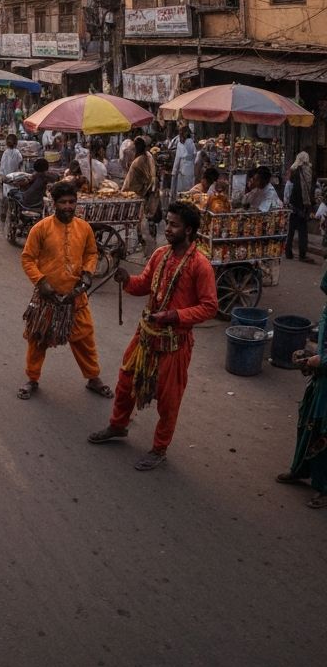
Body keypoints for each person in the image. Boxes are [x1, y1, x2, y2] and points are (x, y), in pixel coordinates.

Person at [89, 201, 217, 471]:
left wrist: (175, 316)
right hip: (146, 335)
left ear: (189, 230)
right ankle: (118, 425)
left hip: (175, 343)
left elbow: (209, 307)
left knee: (168, 400)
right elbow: (143, 285)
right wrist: (126, 280)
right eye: (167, 223)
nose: (167, 229)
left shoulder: (200, 265)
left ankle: (159, 448)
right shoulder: (160, 254)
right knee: (125, 381)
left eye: (173, 225)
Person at [18, 180, 112, 401]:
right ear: (54, 204)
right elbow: (28, 259)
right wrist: (41, 282)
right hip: (47, 298)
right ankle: (32, 378)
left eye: (72, 202)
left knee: (84, 338)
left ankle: (93, 378)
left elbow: (91, 253)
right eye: (63, 202)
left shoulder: (84, 228)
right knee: (38, 339)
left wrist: (88, 274)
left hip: (75, 297)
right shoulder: (40, 229)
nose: (68, 206)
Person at [276, 265, 327, 508]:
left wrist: (317, 360)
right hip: (321, 380)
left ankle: (323, 487)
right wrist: (310, 355)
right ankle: (299, 469)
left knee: (324, 432)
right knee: (307, 423)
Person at [285, 151, 314, 261]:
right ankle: (302, 254)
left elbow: (291, 183)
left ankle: (288, 252)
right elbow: (309, 188)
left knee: (291, 230)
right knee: (303, 231)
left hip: (294, 205)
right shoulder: (309, 170)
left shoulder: (295, 170)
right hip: (303, 205)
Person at [0, 133, 23, 221]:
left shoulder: (5, 153)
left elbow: (2, 166)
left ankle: (3, 213)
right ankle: (12, 213)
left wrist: (1, 176)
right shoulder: (17, 153)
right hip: (15, 177)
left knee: (5, 196)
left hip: (6, 177)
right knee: (14, 196)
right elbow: (20, 162)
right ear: (16, 143)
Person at [171, 126, 196, 198]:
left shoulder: (180, 144)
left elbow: (177, 159)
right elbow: (194, 155)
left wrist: (174, 172)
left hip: (183, 170)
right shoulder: (192, 143)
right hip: (191, 170)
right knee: (189, 191)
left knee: (181, 193)